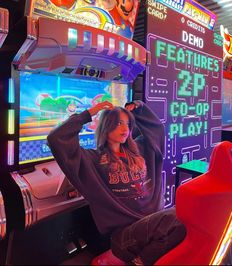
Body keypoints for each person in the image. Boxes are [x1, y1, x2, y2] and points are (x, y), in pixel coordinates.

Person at [47, 100, 186, 265]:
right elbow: (56, 139)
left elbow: (157, 130)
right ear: (107, 126)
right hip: (125, 236)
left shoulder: (142, 150)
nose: (125, 128)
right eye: (119, 123)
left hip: (154, 223)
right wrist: (88, 114)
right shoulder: (94, 160)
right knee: (175, 221)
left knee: (186, 215)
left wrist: (139, 109)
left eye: (128, 124)